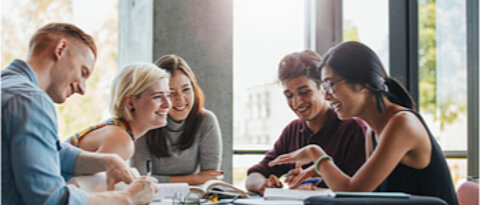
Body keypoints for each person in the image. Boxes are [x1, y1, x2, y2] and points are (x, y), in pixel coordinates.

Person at [269, 41, 458, 205]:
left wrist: (315, 154)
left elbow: (352, 194)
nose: (326, 95)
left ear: (361, 84)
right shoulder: (372, 132)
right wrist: (322, 172)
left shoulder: (402, 123)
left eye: (330, 85)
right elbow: (367, 195)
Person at [2, 23, 158, 205]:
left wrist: (107, 160)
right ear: (60, 49)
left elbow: (46, 152)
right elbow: (50, 200)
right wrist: (127, 198)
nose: (82, 89)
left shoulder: (8, 88)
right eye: (83, 72)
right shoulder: (30, 100)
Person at [245, 50, 367, 195]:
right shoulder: (293, 130)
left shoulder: (353, 129)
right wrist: (263, 185)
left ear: (323, 88)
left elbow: (358, 191)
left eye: (304, 92)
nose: (297, 103)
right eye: (289, 96)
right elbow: (255, 174)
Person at [131, 54, 223, 185]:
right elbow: (139, 178)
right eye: (171, 93)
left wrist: (163, 180)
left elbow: (211, 177)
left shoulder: (206, 120)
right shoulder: (145, 121)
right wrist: (194, 179)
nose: (180, 99)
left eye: (186, 89)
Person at [65, 63, 171, 160]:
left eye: (168, 95)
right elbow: (83, 180)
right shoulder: (120, 140)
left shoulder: (118, 130)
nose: (167, 104)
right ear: (130, 103)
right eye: (157, 97)